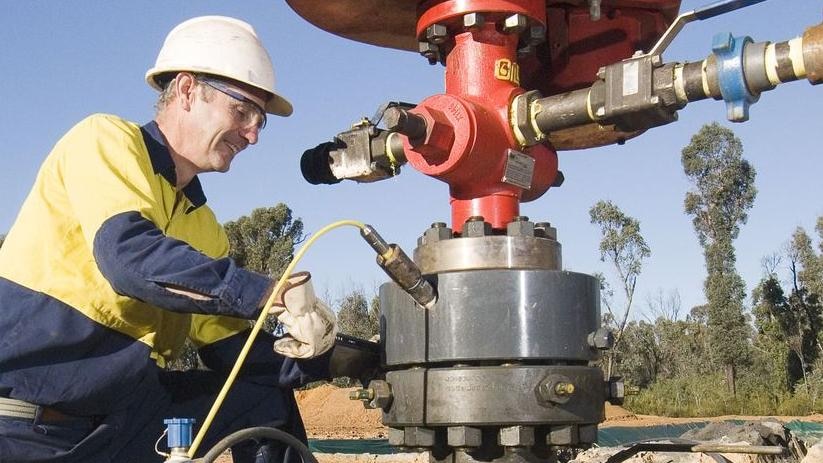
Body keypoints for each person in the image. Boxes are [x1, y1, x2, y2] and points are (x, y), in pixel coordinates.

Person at [0, 16, 337, 463]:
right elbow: (128, 257)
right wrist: (267, 293)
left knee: (260, 401)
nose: (253, 134)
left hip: (124, 420)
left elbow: (232, 354)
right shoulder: (105, 140)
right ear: (186, 90)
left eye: (260, 122)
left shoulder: (204, 227)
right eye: (242, 112)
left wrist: (324, 354)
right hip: (29, 427)